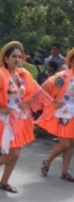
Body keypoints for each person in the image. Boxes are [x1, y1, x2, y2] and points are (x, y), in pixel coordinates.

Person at [0, 41, 51, 193]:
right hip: (6, 119)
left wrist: (27, 104)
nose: (17, 59)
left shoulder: (23, 74)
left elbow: (38, 92)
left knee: (16, 154)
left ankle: (4, 182)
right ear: (6, 58)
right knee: (13, 153)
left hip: (21, 118)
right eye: (13, 56)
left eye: (19, 56)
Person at [37, 48, 74, 182]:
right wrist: (52, 102)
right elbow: (44, 88)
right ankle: (47, 161)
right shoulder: (63, 76)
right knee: (65, 143)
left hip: (73, 116)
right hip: (62, 114)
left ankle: (64, 172)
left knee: (71, 145)